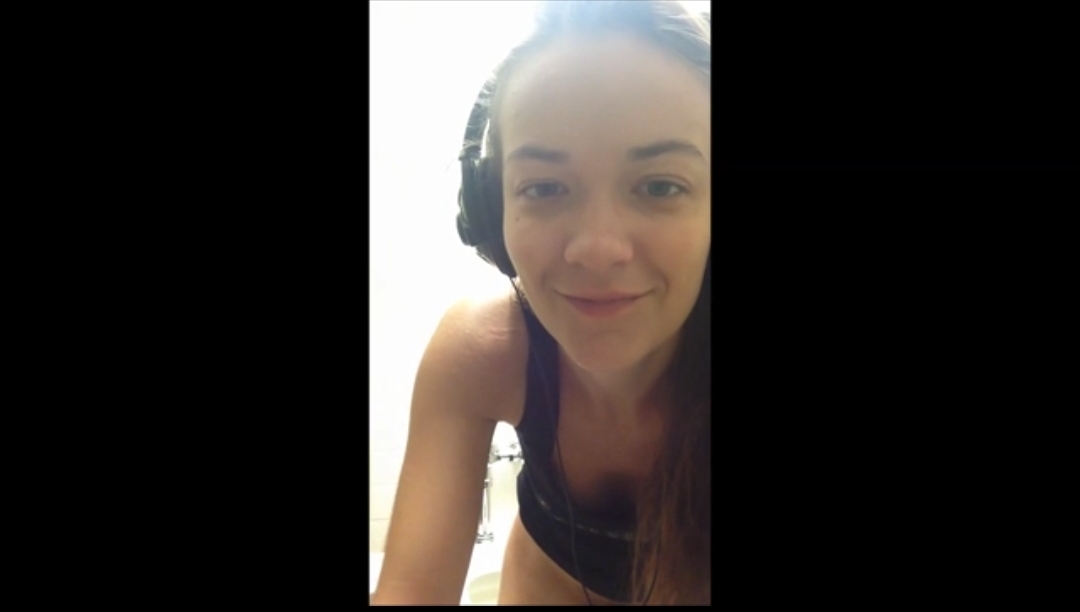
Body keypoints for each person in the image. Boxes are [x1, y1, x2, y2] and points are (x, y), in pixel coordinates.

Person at [372, 0, 710, 605]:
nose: (597, 249)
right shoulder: (484, 351)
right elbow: (411, 591)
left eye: (661, 185)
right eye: (545, 187)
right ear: (490, 211)